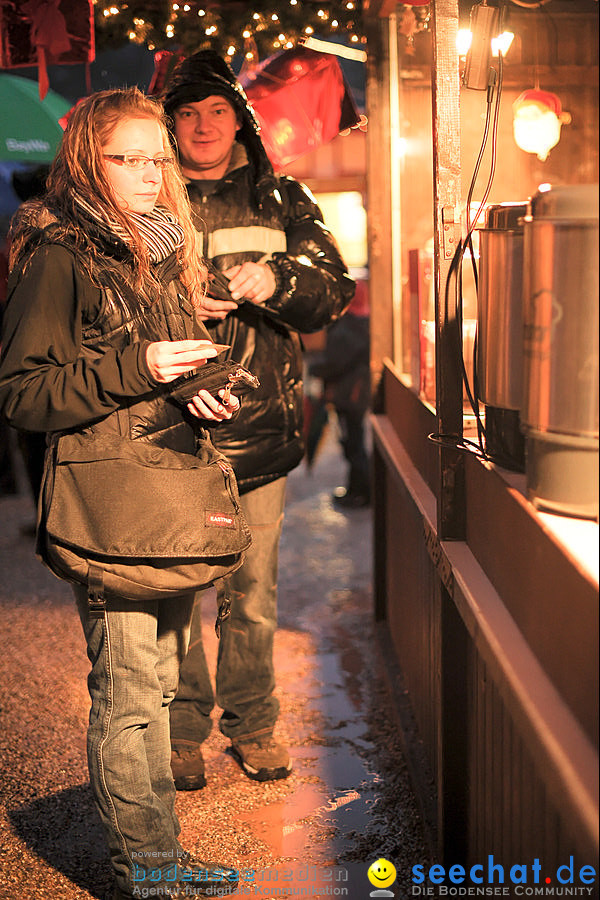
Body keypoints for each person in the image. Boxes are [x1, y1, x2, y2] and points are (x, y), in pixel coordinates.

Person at [0, 88, 244, 900]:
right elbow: (23, 394)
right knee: (131, 693)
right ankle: (146, 873)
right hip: (109, 505)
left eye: (156, 158)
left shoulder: (167, 248)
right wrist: (137, 370)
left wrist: (202, 383)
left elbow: (159, 359)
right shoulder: (61, 254)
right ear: (86, 162)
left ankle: (164, 860)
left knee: (163, 687)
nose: (147, 174)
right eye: (126, 158)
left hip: (168, 492)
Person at [161, 50, 355, 789]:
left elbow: (333, 289)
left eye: (216, 110)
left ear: (238, 117)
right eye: (187, 113)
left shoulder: (283, 198)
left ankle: (255, 722)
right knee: (176, 589)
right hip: (172, 434)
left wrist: (278, 279)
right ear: (171, 123)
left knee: (253, 594)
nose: (203, 126)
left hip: (261, 433)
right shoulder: (148, 199)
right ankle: (181, 731)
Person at [310, 277, 371, 508]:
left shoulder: (349, 326)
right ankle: (358, 489)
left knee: (352, 443)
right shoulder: (365, 321)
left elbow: (336, 362)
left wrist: (317, 370)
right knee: (354, 440)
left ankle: (361, 492)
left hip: (348, 395)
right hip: (357, 392)